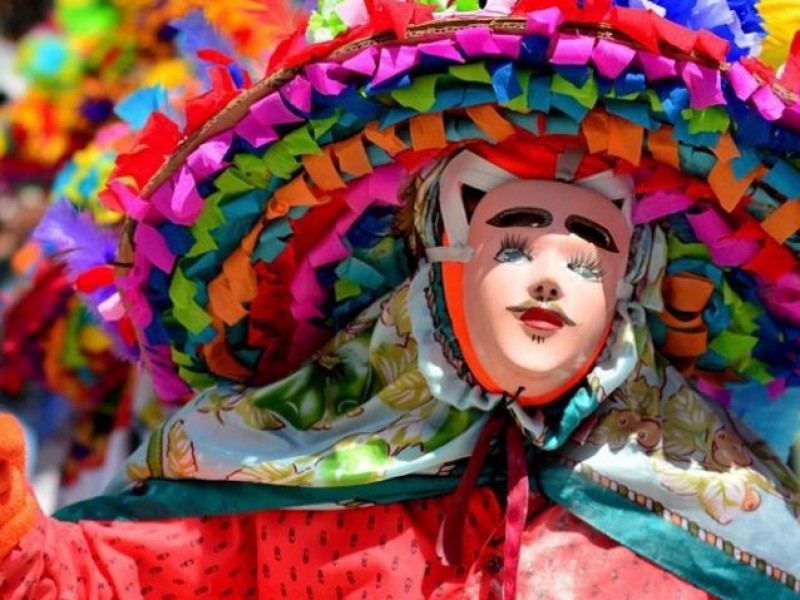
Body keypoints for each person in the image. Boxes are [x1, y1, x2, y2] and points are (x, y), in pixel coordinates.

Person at [2, 1, 800, 598]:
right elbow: (95, 582)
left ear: (634, 281)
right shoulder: (275, 475)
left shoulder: (730, 528)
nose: (553, 277)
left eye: (591, 256)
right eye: (515, 240)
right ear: (436, 246)